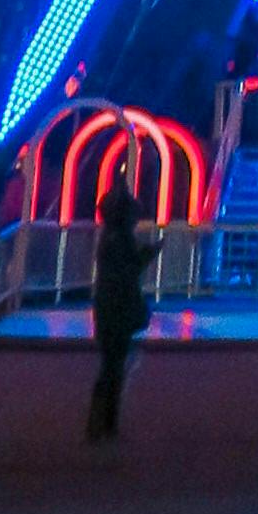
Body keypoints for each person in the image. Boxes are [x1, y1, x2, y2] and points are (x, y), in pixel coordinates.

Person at [87, 157, 153, 443]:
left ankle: (104, 421)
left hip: (107, 308)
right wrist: (148, 254)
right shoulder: (119, 239)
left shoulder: (109, 238)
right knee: (113, 366)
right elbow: (129, 270)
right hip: (118, 309)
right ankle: (102, 422)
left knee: (112, 365)